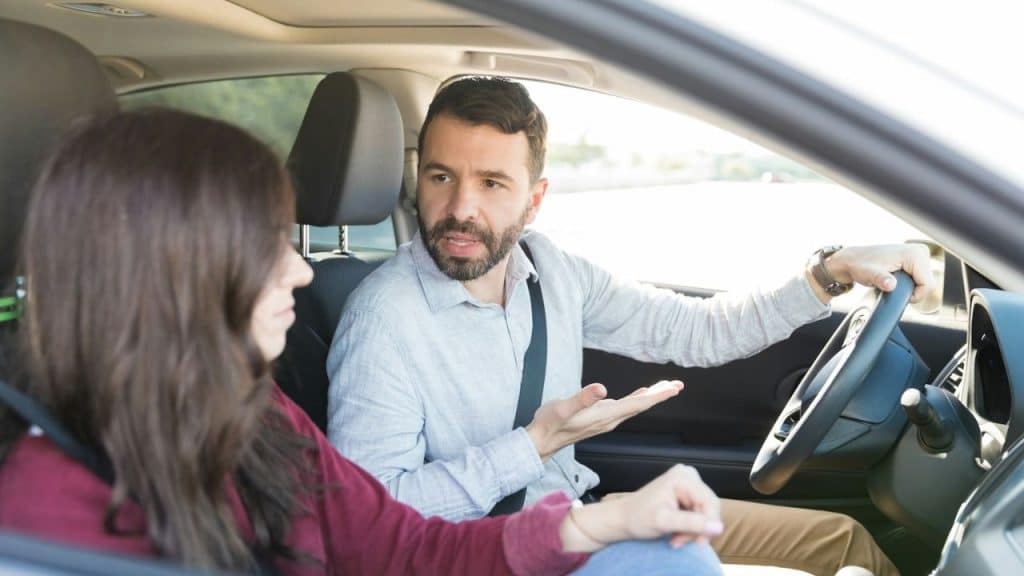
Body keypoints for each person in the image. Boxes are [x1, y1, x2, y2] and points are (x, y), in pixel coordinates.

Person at [0, 109, 727, 575]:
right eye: (263, 247)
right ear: (173, 273)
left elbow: (401, 546)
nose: (299, 268)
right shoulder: (42, 518)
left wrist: (602, 520)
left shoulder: (255, 414)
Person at [327, 77, 935, 576]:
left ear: (534, 200)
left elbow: (699, 330)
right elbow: (370, 525)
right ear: (418, 181)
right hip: (495, 558)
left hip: (585, 517)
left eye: (491, 183)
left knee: (843, 545)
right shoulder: (383, 320)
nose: (461, 208)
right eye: (441, 177)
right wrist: (531, 447)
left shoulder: (554, 272)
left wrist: (830, 273)